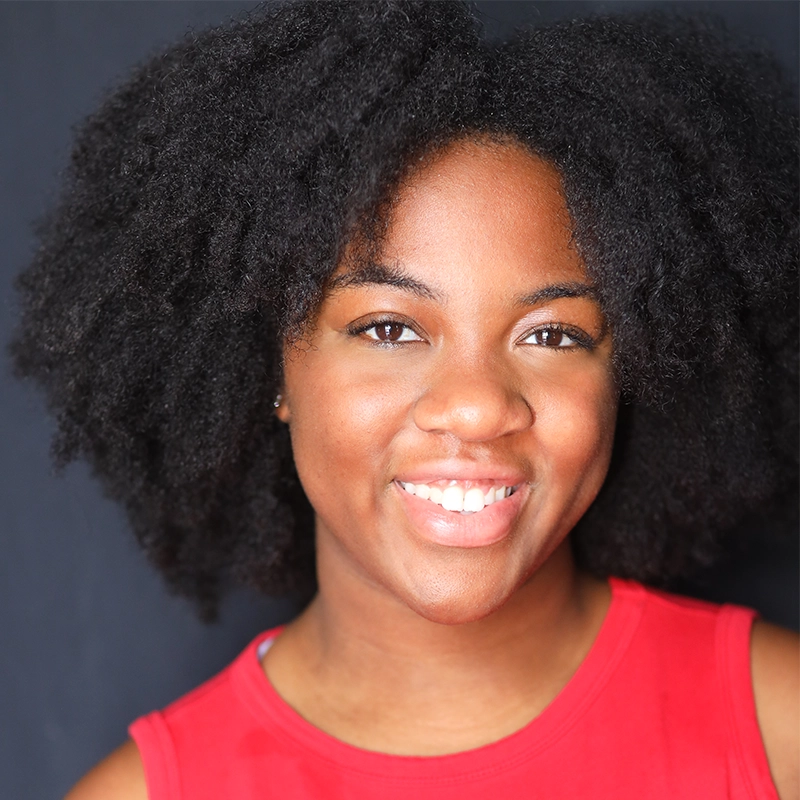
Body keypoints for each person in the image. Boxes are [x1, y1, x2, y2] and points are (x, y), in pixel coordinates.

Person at [10, 1, 798, 798]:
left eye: (553, 335)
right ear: (271, 372)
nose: (477, 407)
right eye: (388, 330)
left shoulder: (780, 728)